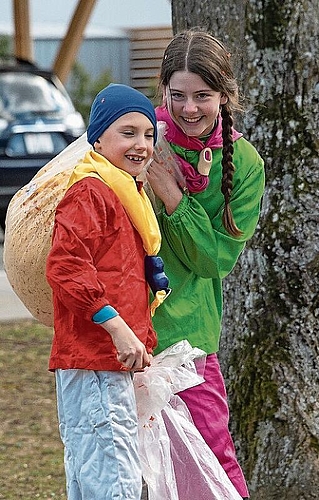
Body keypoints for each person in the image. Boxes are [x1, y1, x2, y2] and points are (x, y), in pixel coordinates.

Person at [146, 29, 265, 499]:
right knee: (133, 461)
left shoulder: (246, 165)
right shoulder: (137, 137)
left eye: (202, 96)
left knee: (210, 455)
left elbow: (215, 259)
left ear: (224, 96)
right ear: (163, 92)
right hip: (123, 328)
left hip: (189, 338)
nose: (189, 108)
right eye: (178, 96)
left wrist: (174, 197)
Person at [46, 83, 168, 500]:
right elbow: (66, 267)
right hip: (95, 361)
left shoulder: (123, 193)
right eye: (128, 132)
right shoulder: (91, 192)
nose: (142, 144)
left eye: (149, 134)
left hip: (108, 364)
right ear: (97, 138)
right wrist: (117, 328)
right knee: (113, 483)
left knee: (97, 478)